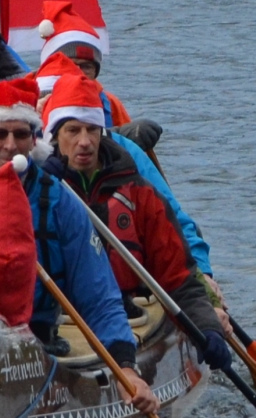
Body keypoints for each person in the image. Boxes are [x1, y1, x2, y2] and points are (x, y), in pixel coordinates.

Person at [0, 77, 160, 413]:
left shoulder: (60, 199)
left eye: (21, 134)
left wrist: (126, 366)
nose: (10, 145)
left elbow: (97, 295)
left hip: (35, 344)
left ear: (34, 139)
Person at [40, 73, 233, 374]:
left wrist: (207, 326)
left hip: (127, 311)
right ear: (54, 135)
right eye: (73, 130)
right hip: (53, 319)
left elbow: (178, 276)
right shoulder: (34, 188)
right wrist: (39, 184)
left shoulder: (139, 192)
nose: (84, 141)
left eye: (92, 129)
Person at [36, 0, 130, 125]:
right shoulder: (24, 106)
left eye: (86, 66)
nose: (78, 72)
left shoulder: (110, 104)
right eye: (69, 65)